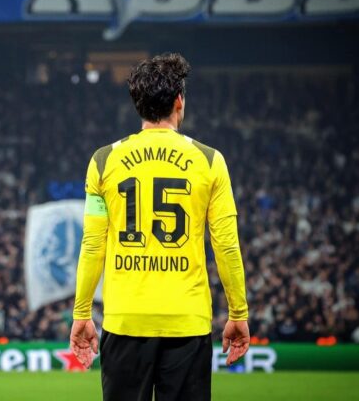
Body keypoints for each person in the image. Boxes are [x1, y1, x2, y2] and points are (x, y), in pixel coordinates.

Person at [70, 53, 250, 401]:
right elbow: (226, 245)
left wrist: (81, 313)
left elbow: (93, 245)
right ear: (179, 100)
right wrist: (238, 312)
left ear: (137, 103)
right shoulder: (210, 161)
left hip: (125, 321)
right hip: (187, 321)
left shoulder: (103, 161)